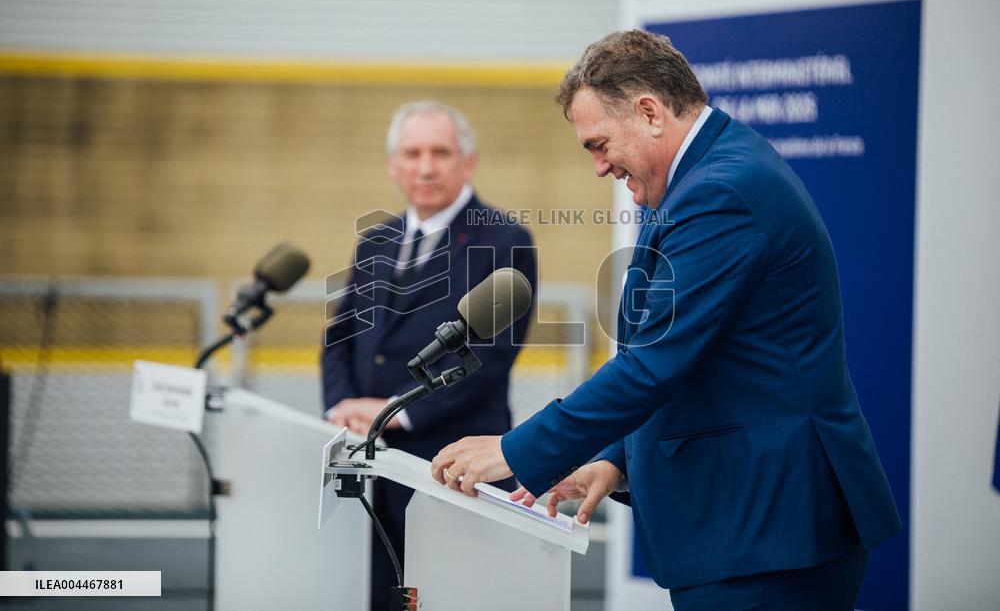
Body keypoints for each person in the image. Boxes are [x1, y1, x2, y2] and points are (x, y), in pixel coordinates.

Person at [430, 31, 901, 610]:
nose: (599, 166)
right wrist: (612, 459)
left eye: (598, 144)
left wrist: (516, 450)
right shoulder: (694, 182)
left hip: (768, 534)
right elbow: (697, 359)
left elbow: (654, 363)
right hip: (749, 530)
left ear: (649, 113)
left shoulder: (721, 191)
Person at [322, 100, 535, 611]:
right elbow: (341, 334)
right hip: (370, 462)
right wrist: (342, 407)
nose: (425, 166)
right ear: (393, 165)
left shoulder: (505, 240)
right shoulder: (375, 241)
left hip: (453, 465)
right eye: (412, 153)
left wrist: (394, 407)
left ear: (468, 161)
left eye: (440, 152)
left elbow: (491, 354)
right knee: (381, 597)